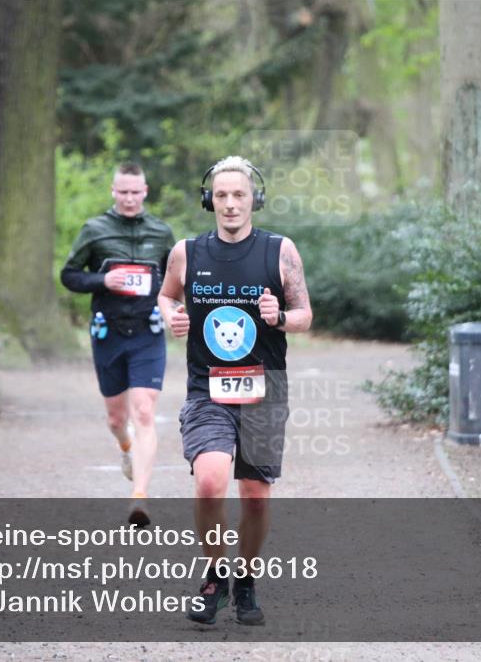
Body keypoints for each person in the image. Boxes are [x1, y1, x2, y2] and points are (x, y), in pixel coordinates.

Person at [157, 156, 313, 626]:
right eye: (221, 195)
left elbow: (305, 314)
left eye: (238, 195)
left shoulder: (280, 251)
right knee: (209, 480)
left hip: (265, 390)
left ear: (254, 200)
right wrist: (171, 315)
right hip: (207, 389)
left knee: (255, 496)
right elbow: (166, 295)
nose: (229, 204)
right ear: (210, 200)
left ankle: (244, 580)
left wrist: (279, 317)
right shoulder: (187, 253)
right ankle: (214, 576)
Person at [60, 162, 175, 526]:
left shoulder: (161, 233)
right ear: (113, 192)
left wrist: (177, 306)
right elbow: (69, 276)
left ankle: (138, 498)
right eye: (122, 192)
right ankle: (125, 448)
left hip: (148, 332)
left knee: (144, 411)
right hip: (108, 332)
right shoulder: (94, 230)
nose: (128, 198)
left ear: (145, 192)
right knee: (116, 417)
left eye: (135, 192)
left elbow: (175, 279)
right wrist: (104, 280)